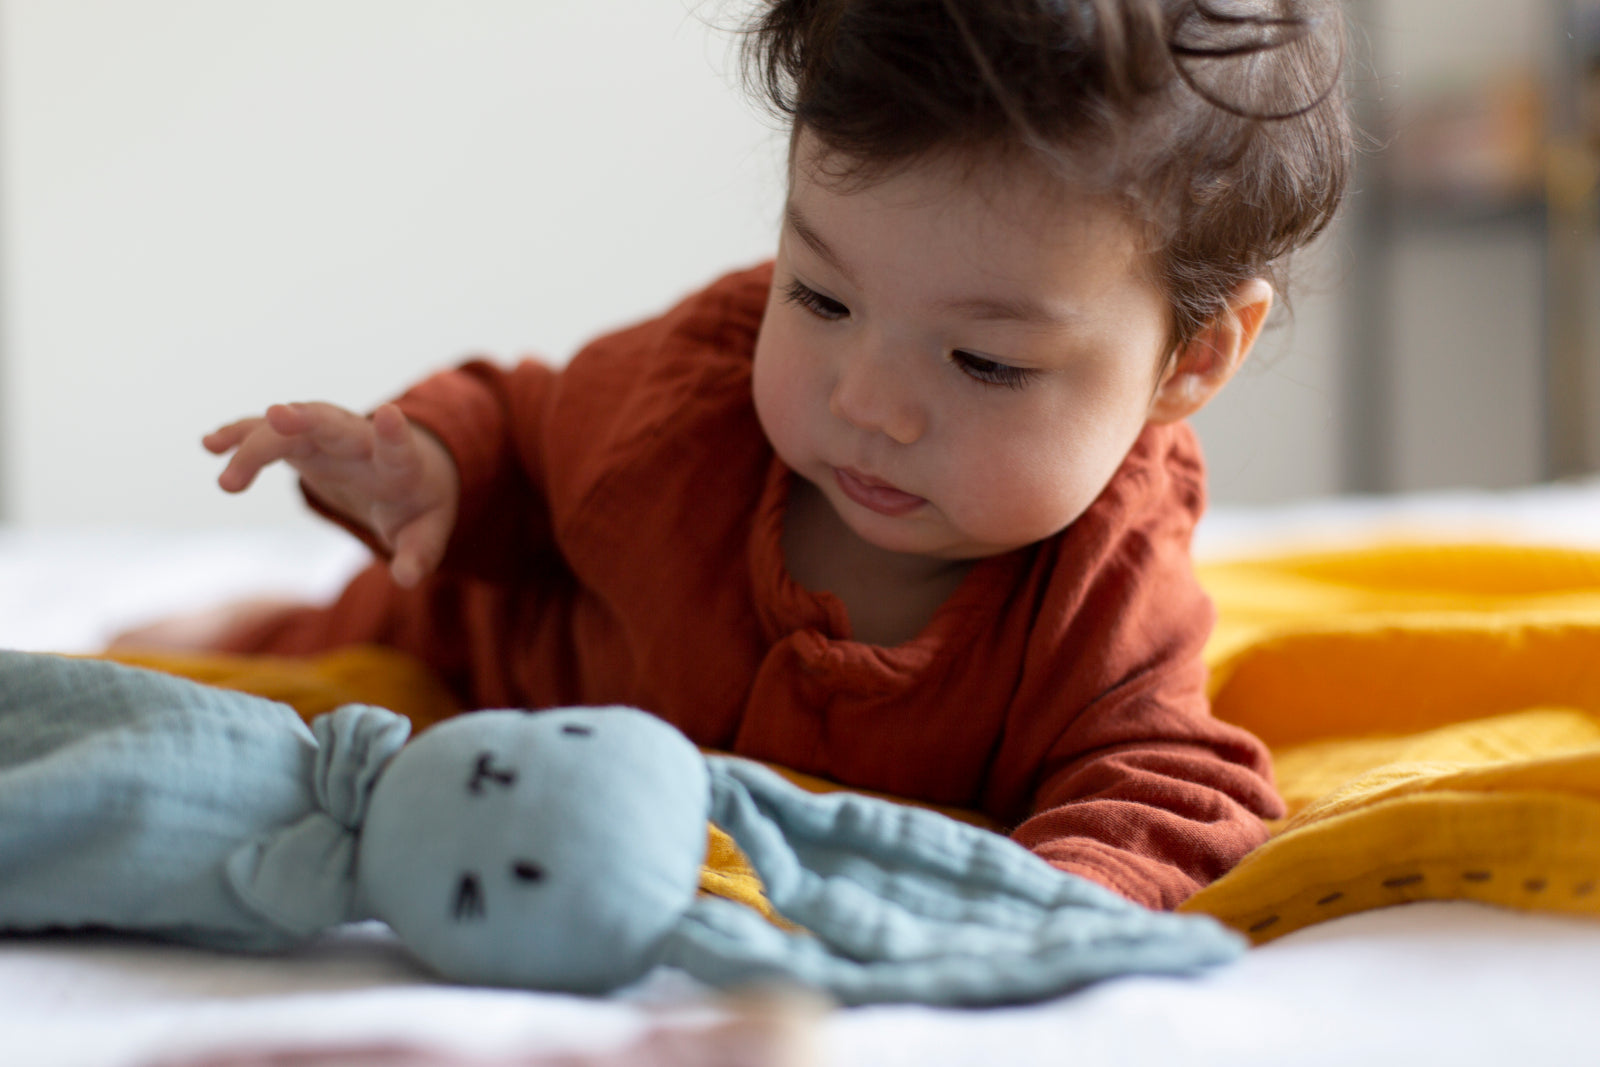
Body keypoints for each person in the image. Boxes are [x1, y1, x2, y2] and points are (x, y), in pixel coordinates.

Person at [117, 0, 1353, 910]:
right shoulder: (690, 398)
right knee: (249, 670)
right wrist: (426, 466)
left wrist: (1030, 910)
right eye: (818, 296)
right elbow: (527, 429)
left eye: (983, 363)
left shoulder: (1104, 586)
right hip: (463, 650)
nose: (866, 400)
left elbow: (1172, 787)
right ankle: (233, 616)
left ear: (1192, 357)